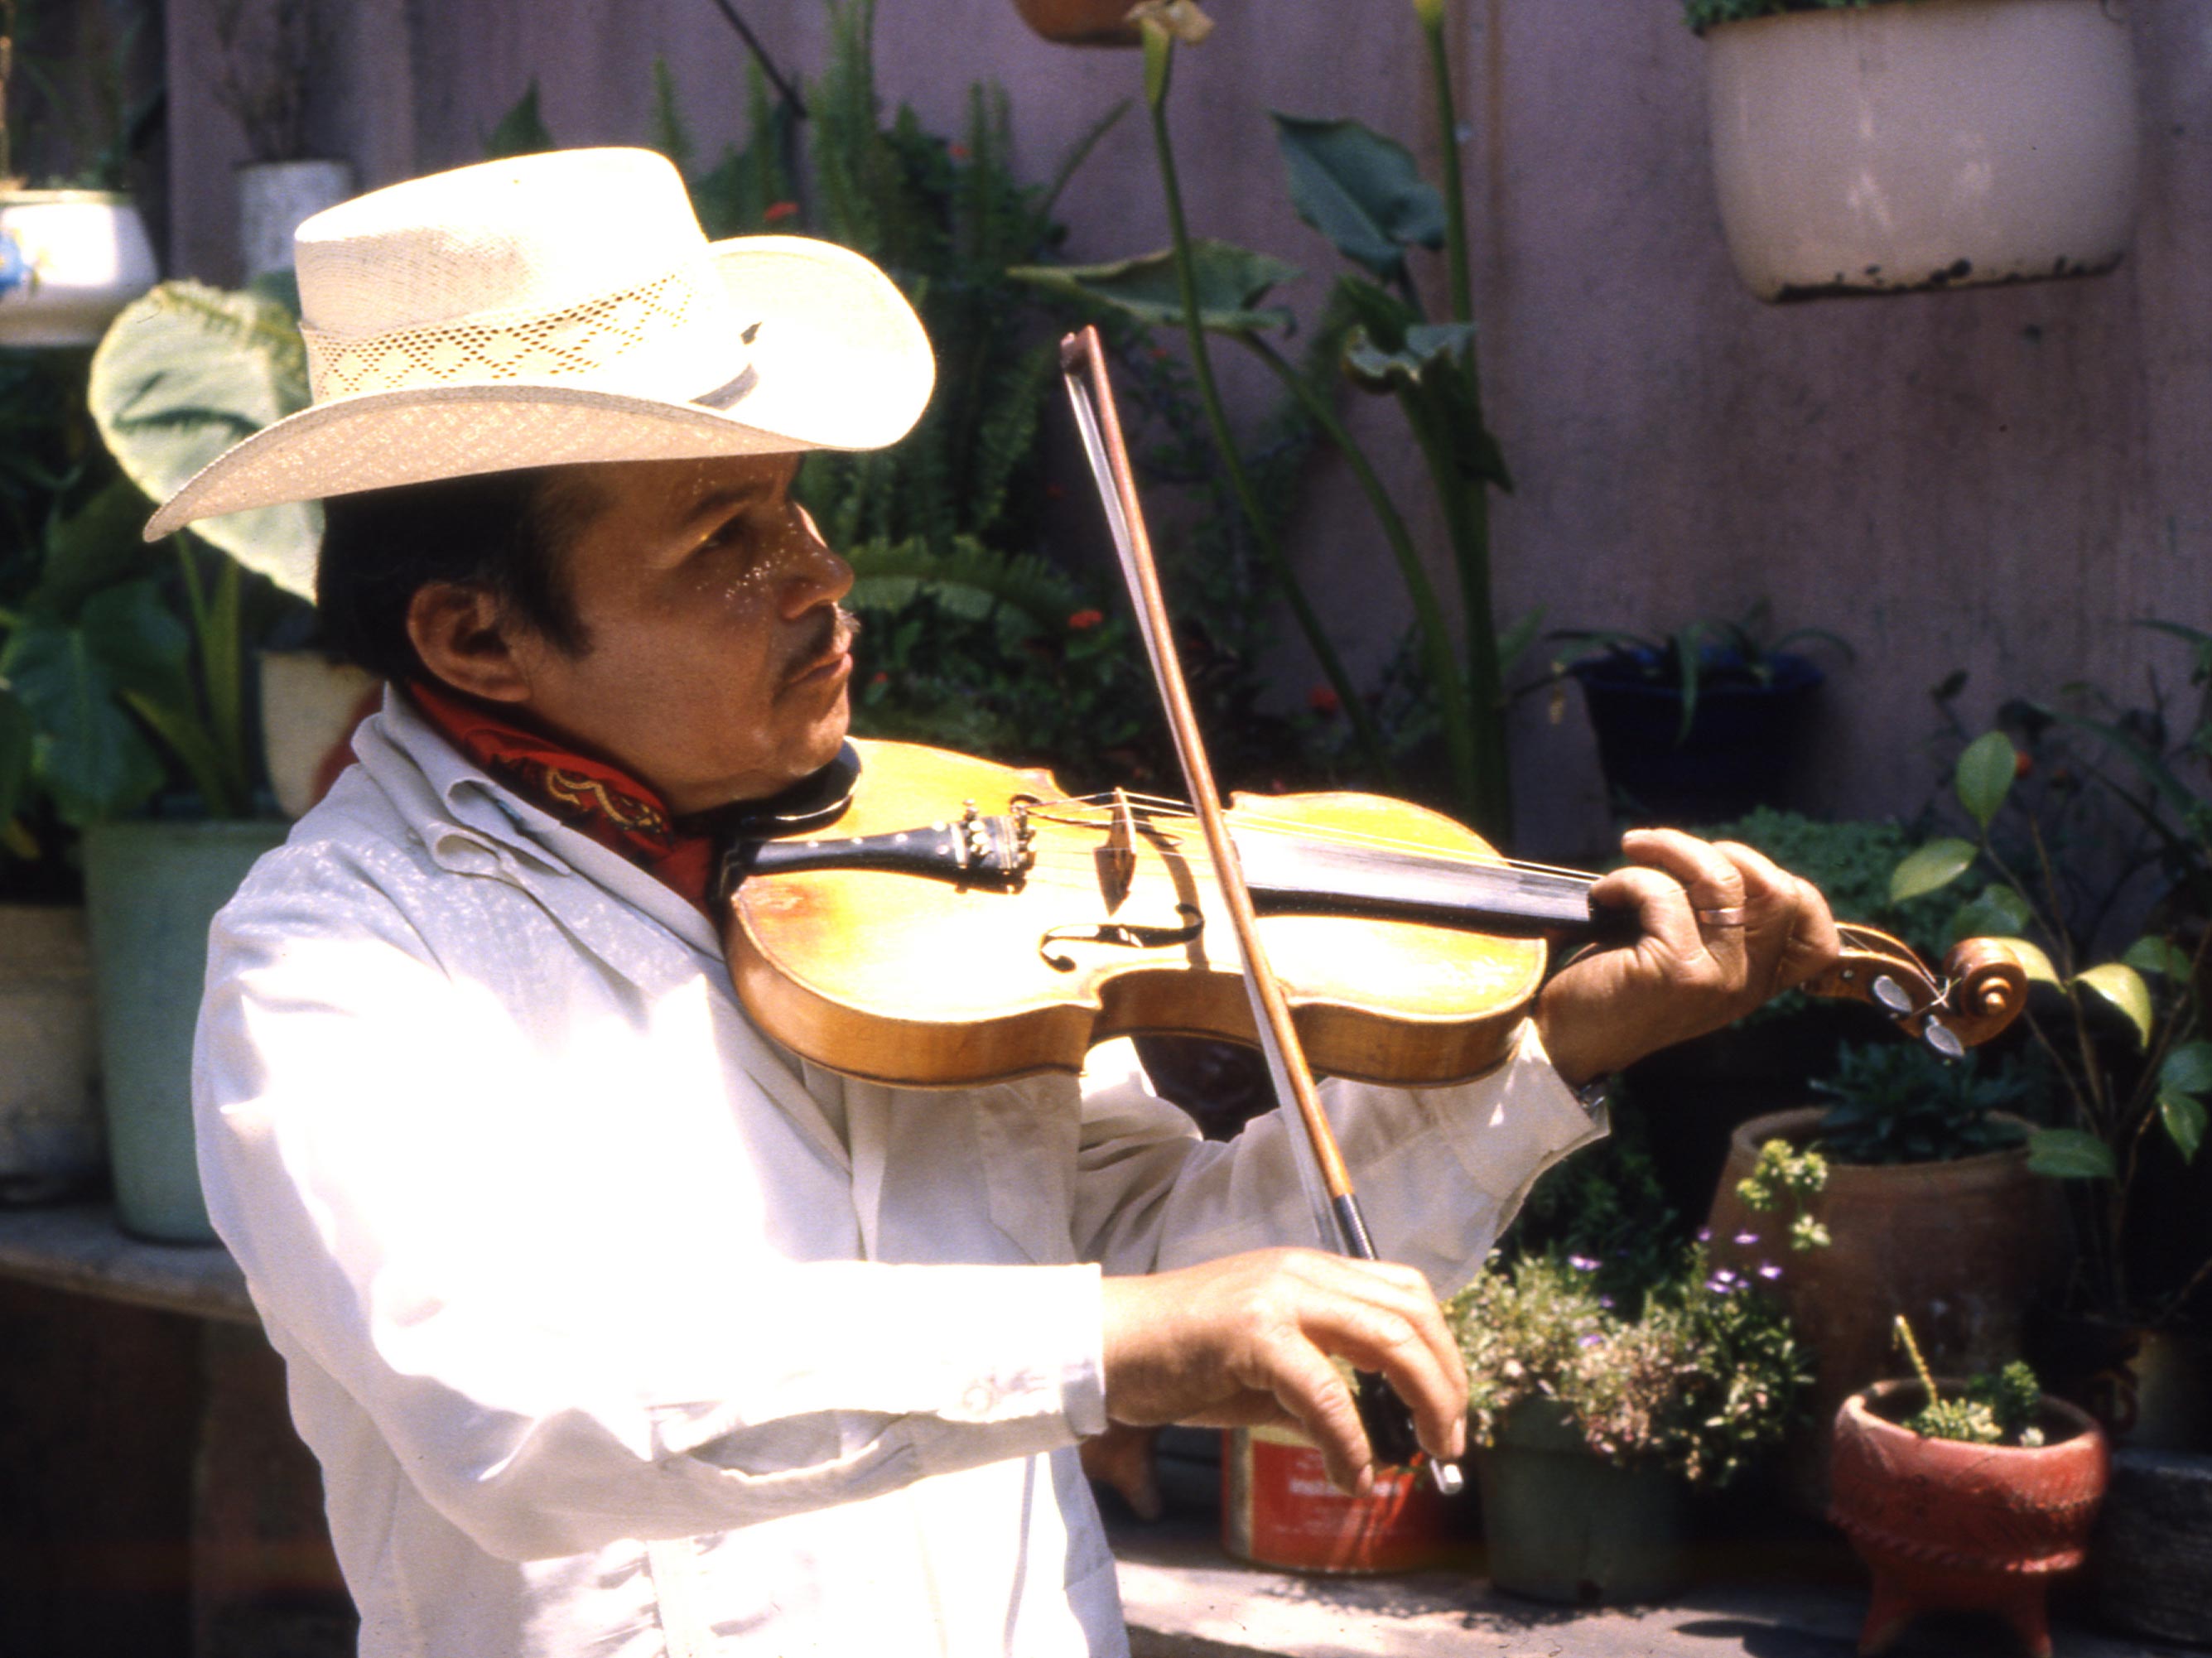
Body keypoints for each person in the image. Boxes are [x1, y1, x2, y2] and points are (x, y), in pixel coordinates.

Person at [168, 149, 1841, 1658]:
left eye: (796, 498)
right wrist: (1109, 1338)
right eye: (720, 539)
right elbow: (519, 1402)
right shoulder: (335, 963)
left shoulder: (938, 859)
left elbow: (1169, 1260)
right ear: (478, 640)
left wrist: (1532, 1056)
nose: (819, 573)